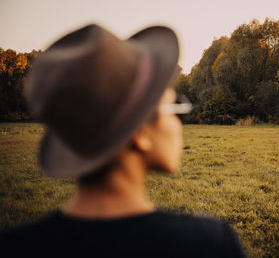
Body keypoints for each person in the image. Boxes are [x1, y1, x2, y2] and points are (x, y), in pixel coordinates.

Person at [0, 24, 245, 257]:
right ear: (140, 133)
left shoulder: (12, 248)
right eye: (173, 107)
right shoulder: (209, 244)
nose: (181, 120)